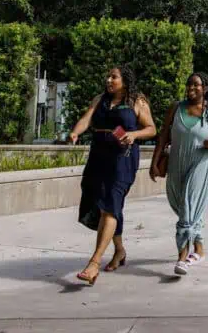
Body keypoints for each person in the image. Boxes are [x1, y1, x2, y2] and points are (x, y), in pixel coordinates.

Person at [68, 65, 157, 286]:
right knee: (104, 205)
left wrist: (134, 134)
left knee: (111, 204)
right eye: (107, 76)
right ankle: (119, 250)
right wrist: (75, 132)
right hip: (99, 155)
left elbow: (152, 129)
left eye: (113, 77)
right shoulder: (100, 99)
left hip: (123, 158)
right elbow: (87, 119)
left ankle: (94, 263)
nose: (109, 80)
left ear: (125, 80)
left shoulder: (137, 101)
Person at [151, 72, 208, 275]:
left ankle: (182, 257)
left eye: (196, 85)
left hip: (203, 164)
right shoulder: (175, 109)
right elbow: (162, 136)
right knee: (181, 204)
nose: (191, 88)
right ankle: (200, 249)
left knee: (188, 206)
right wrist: (154, 162)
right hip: (178, 164)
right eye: (189, 84)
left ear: (205, 88)